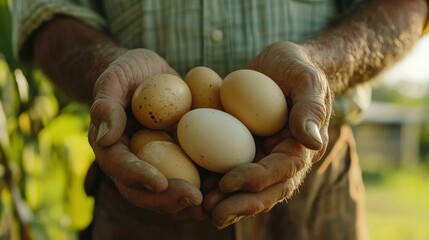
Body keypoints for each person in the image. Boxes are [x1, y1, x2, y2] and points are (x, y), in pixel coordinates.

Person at [13, 0, 428, 239]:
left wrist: (318, 65)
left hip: (313, 180)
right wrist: (111, 70)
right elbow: (45, 11)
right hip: (141, 183)